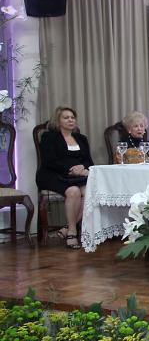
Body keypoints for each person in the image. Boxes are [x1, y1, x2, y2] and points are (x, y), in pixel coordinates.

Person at [36, 106, 94, 250]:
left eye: (72, 117)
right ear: (58, 120)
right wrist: (72, 169)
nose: (70, 120)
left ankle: (67, 227)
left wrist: (82, 168)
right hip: (52, 174)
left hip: (77, 176)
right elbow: (50, 161)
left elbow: (89, 161)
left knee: (90, 192)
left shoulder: (81, 138)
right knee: (73, 191)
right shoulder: (49, 137)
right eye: (66, 117)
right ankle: (72, 233)